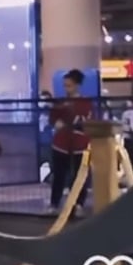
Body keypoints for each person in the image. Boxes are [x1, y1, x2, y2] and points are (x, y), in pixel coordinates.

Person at [47, 69, 92, 217]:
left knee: (79, 177)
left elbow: (86, 121)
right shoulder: (60, 102)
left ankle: (78, 204)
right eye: (65, 85)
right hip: (61, 144)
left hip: (79, 144)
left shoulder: (85, 103)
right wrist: (56, 122)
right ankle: (54, 204)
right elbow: (53, 119)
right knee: (58, 175)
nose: (67, 89)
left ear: (77, 85)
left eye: (70, 85)